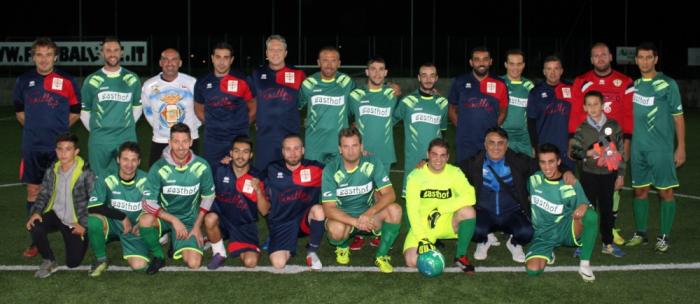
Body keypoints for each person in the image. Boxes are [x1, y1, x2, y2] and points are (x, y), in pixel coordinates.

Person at [14, 37, 81, 258]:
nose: (43, 59)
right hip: (33, 147)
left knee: (65, 191)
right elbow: (20, 113)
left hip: (60, 150)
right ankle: (36, 241)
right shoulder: (24, 80)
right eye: (39, 54)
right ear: (33, 56)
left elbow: (75, 112)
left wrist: (58, 133)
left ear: (55, 56)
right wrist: (37, 129)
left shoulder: (67, 80)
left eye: (48, 54)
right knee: (33, 191)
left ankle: (70, 230)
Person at [570, 43, 634, 245]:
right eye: (595, 55)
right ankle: (584, 233)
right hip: (589, 149)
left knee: (611, 193)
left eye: (603, 55)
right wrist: (576, 145)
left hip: (613, 148)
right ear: (591, 59)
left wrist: (626, 146)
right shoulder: (581, 81)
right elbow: (575, 114)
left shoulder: (624, 81)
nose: (600, 58)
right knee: (588, 197)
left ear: (610, 57)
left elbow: (627, 115)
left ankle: (609, 231)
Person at [626, 42, 685, 253]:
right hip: (638, 148)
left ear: (656, 59)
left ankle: (664, 236)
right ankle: (641, 233)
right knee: (639, 190)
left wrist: (681, 148)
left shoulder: (668, 84)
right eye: (640, 57)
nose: (644, 61)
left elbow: (678, 117)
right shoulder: (634, 86)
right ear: (636, 60)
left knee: (665, 192)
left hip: (661, 148)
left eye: (648, 57)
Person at [322, 127, 402, 273]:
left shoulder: (373, 162)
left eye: (354, 146)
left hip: (369, 216)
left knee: (395, 210)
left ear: (361, 147)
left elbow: (390, 194)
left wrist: (368, 214)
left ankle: (381, 255)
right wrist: (356, 222)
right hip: (344, 219)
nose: (351, 151)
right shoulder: (331, 169)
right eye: (346, 146)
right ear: (340, 149)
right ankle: (343, 246)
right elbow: (328, 208)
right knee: (336, 230)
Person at [139, 123, 215, 274]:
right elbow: (147, 202)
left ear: (191, 142)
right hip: (166, 218)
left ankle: (177, 240)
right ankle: (158, 256)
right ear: (169, 142)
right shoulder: (159, 167)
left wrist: (197, 226)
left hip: (188, 220)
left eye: (185, 141)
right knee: (145, 220)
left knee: (194, 263)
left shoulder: (202, 166)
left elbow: (208, 196)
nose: (181, 146)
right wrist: (173, 220)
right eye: (176, 141)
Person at [526, 144, 599, 282]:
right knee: (532, 271)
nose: (547, 167)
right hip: (543, 234)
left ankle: (584, 264)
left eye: (551, 161)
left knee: (590, 215)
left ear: (559, 162)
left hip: (566, 230)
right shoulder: (534, 180)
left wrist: (584, 205)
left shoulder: (570, 183)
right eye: (543, 162)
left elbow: (585, 204)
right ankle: (549, 252)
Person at [25, 133, 94, 278]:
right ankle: (49, 260)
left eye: (68, 149)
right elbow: (43, 194)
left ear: (76, 152)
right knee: (34, 224)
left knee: (73, 263)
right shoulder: (52, 170)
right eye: (60, 149)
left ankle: (86, 236)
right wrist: (36, 212)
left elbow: (94, 201)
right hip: (56, 215)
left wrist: (84, 224)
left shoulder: (86, 173)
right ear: (56, 151)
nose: (63, 153)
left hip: (75, 220)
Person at [403, 138, 477, 274]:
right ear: (427, 155)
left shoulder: (455, 172)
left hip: (447, 221)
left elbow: (471, 196)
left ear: (448, 157)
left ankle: (460, 256)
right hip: (424, 225)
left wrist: (440, 210)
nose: (438, 159)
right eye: (434, 154)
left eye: (443, 155)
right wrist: (422, 239)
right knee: (411, 261)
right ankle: (431, 244)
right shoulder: (415, 176)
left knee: (468, 211)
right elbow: (412, 210)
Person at [347, 57, 398, 250]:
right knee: (360, 195)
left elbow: (397, 116)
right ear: (367, 72)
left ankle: (378, 230)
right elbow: (351, 121)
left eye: (381, 69)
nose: (377, 73)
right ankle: (359, 232)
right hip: (360, 155)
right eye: (373, 69)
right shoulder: (355, 95)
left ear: (386, 73)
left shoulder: (392, 94)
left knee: (381, 195)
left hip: (384, 154)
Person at [570, 91, 626, 257]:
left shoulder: (614, 125)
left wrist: (621, 174)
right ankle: (583, 243)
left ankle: (607, 243)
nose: (593, 108)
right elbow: (574, 151)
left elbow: (621, 150)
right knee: (588, 210)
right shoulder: (582, 128)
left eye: (596, 104)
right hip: (589, 174)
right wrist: (588, 153)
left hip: (609, 175)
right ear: (584, 107)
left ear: (602, 105)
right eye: (589, 104)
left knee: (607, 210)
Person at [258, 134, 326, 270]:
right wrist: (229, 165)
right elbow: (247, 175)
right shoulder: (272, 169)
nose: (293, 153)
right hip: (281, 223)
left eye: (296, 148)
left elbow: (340, 170)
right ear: (282, 152)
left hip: (304, 221)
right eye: (288, 149)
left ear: (303, 150)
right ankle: (279, 241)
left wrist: (359, 156)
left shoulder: (316, 169)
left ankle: (312, 251)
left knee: (319, 210)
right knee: (278, 264)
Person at [80, 36, 142, 179]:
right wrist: (98, 129)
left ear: (121, 52)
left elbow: (137, 108)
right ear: (102, 53)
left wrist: (125, 125)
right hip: (99, 140)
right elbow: (85, 112)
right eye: (108, 50)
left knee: (127, 177)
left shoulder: (132, 78)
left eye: (115, 50)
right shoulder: (92, 80)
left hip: (126, 137)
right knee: (98, 180)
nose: (112, 54)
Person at [86, 141, 149, 276]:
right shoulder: (106, 176)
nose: (129, 164)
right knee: (93, 221)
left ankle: (137, 243)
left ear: (139, 162)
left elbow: (155, 206)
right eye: (125, 159)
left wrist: (142, 223)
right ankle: (101, 259)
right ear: (118, 160)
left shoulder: (147, 180)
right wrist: (122, 217)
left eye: (133, 160)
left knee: (140, 267)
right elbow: (94, 206)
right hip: (113, 223)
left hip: (134, 228)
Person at [205, 136, 266, 269]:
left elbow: (264, 211)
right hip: (222, 221)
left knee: (250, 262)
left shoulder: (257, 177)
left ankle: (221, 239)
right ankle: (219, 252)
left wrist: (259, 191)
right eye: (237, 151)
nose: (240, 156)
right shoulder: (219, 170)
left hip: (243, 225)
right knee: (210, 218)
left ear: (251, 155)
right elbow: (204, 195)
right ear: (231, 153)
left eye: (245, 152)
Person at [248, 35, 306, 170]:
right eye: (271, 49)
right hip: (265, 137)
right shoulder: (257, 74)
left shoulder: (298, 74)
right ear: (266, 53)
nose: (275, 53)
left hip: (290, 138)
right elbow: (248, 100)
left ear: (285, 53)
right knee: (264, 176)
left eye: (279, 50)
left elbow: (309, 100)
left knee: (290, 179)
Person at [194, 42, 255, 168]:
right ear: (212, 58)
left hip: (238, 137)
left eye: (226, 58)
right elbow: (198, 108)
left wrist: (242, 125)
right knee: (212, 174)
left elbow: (253, 106)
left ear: (231, 60)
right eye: (218, 57)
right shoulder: (202, 81)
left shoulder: (243, 80)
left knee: (240, 175)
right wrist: (213, 124)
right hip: (213, 139)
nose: (221, 62)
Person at [394, 63, 448, 197]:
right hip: (413, 161)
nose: (428, 79)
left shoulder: (443, 103)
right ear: (418, 78)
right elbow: (389, 121)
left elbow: (443, 132)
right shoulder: (407, 101)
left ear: (436, 78)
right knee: (411, 202)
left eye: (432, 75)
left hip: (435, 161)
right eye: (424, 75)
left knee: (435, 202)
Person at [448, 46, 509, 163]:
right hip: (465, 141)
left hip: (489, 143)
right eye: (477, 59)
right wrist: (462, 127)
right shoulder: (459, 81)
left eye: (485, 59)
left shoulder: (500, 83)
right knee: (465, 177)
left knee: (487, 177)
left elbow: (503, 109)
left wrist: (493, 130)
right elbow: (452, 109)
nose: (481, 63)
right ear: (471, 62)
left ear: (490, 62)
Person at [142, 48, 201, 166]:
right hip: (161, 139)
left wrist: (192, 127)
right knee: (157, 179)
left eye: (174, 59)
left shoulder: (192, 83)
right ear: (160, 62)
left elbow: (200, 109)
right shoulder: (149, 85)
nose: (170, 63)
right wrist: (162, 128)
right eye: (165, 59)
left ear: (180, 63)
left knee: (192, 178)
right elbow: (148, 112)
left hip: (189, 140)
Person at [298, 46, 356, 163]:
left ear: (339, 63)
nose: (329, 65)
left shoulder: (347, 82)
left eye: (333, 60)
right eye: (325, 60)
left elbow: (364, 96)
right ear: (318, 62)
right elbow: (295, 106)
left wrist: (387, 85)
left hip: (339, 143)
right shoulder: (309, 83)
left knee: (339, 180)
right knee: (314, 180)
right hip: (314, 143)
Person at [527, 55, 575, 171]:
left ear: (561, 71)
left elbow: (578, 117)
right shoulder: (536, 92)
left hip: (566, 146)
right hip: (544, 145)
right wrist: (534, 146)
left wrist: (574, 141)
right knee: (545, 182)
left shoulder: (572, 89)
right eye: (549, 69)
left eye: (556, 68)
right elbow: (531, 121)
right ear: (544, 72)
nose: (552, 73)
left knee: (567, 182)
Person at [500, 49, 535, 156]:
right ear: (506, 64)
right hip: (502, 134)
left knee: (527, 169)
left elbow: (534, 115)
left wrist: (534, 142)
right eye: (512, 64)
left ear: (523, 65)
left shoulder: (529, 86)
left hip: (523, 136)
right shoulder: (498, 83)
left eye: (519, 64)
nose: (515, 68)